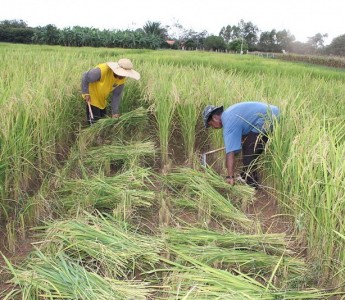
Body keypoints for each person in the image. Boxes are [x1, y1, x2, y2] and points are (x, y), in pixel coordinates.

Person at [203, 101, 280, 188]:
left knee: (248, 150)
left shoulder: (228, 122)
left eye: (211, 125)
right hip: (273, 113)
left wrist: (230, 177)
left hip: (268, 118)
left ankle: (252, 186)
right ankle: (244, 176)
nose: (213, 128)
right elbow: (245, 131)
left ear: (214, 118)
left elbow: (230, 153)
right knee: (250, 148)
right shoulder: (230, 114)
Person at [81, 58, 140, 125]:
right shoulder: (102, 70)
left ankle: (100, 135)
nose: (124, 76)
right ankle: (92, 135)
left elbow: (116, 96)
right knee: (94, 124)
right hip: (92, 98)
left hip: (102, 100)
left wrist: (115, 113)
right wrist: (86, 93)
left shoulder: (121, 80)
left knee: (102, 122)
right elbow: (85, 76)